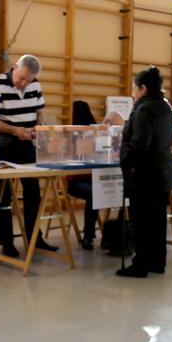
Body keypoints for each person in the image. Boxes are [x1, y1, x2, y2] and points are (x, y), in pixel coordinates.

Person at [0, 54, 57, 256]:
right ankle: (6, 242)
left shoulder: (35, 85)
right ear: (15, 67)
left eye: (29, 80)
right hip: (6, 141)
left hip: (29, 143)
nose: (24, 84)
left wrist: (38, 126)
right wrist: (15, 130)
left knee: (33, 192)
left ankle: (35, 237)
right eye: (21, 78)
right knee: (4, 194)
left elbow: (40, 110)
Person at [116, 67, 172, 278]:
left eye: (134, 88)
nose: (133, 92)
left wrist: (126, 162)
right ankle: (157, 262)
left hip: (145, 173)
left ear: (143, 88)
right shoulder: (166, 106)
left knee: (141, 220)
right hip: (163, 170)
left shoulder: (144, 109)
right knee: (158, 219)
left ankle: (140, 264)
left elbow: (139, 144)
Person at [65, 101, 101, 249]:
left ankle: (115, 232)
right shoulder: (72, 136)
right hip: (77, 182)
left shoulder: (95, 135)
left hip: (90, 180)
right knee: (95, 194)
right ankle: (88, 236)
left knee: (100, 193)